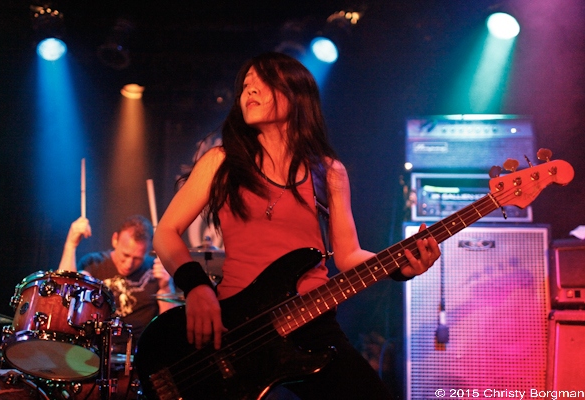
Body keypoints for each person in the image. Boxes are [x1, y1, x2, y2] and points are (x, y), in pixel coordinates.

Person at [152, 52, 441, 399]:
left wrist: (400, 267)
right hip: (238, 329)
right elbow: (165, 232)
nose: (249, 92)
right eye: (245, 86)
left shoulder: (329, 172)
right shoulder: (221, 162)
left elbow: (348, 255)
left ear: (295, 94)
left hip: (311, 321)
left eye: (262, 83)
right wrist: (197, 287)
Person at [58, 215, 177, 352]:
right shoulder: (93, 263)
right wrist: (71, 245)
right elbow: (65, 296)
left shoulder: (156, 270)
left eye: (137, 258)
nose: (129, 264)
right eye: (125, 255)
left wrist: (166, 287)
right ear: (115, 240)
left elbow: (170, 327)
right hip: (95, 350)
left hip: (139, 351)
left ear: (148, 249)